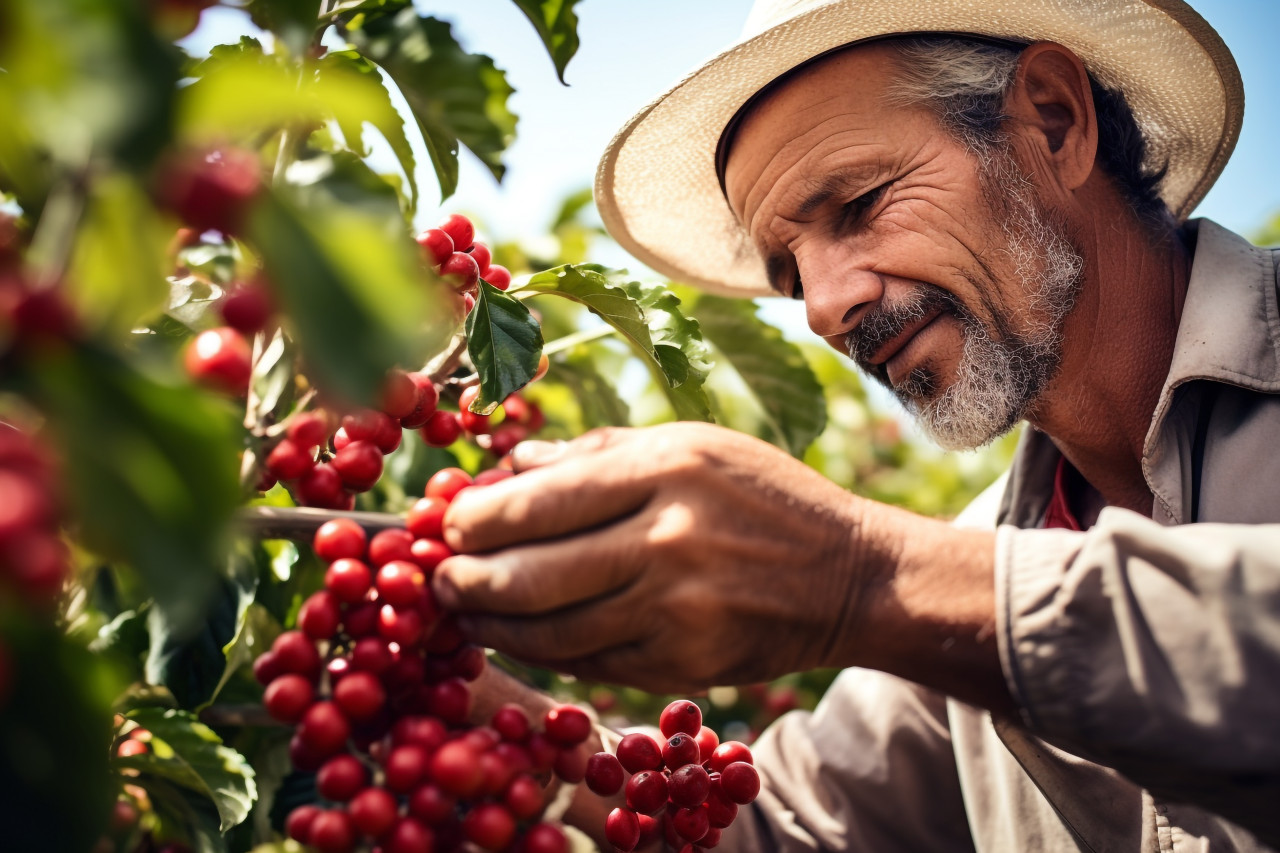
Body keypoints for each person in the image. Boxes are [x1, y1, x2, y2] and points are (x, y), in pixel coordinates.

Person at [432, 0, 1280, 849]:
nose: (827, 308)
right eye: (793, 277)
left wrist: (863, 579)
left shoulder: (939, 586)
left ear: (1054, 122)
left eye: (862, 203)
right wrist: (486, 721)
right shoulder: (986, 549)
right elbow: (775, 826)